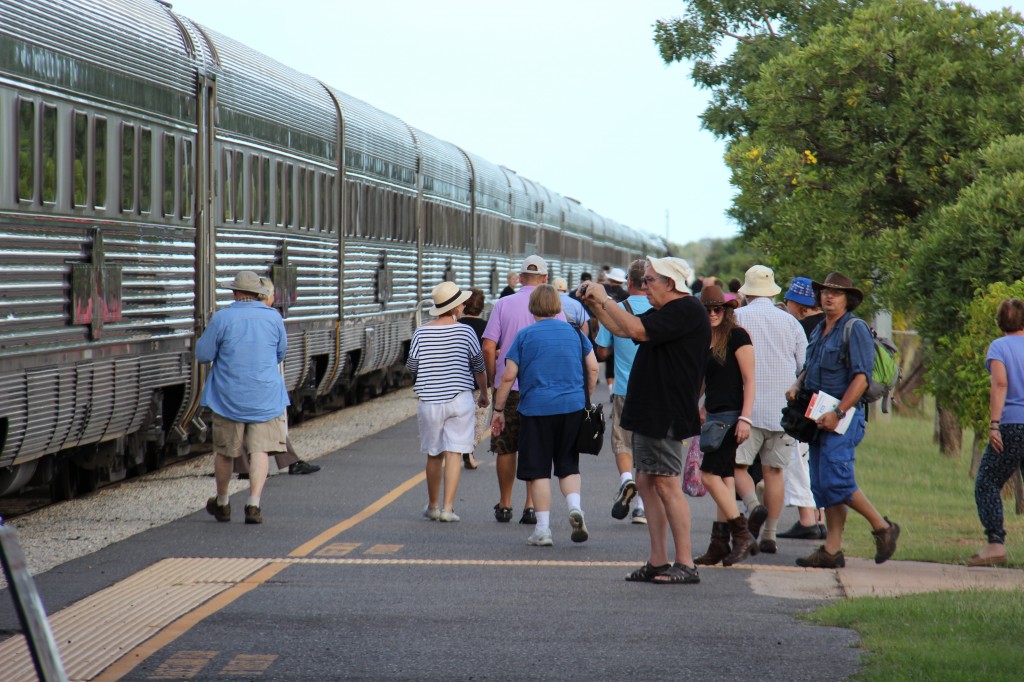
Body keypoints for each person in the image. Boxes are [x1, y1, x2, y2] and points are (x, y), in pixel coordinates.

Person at [580, 256, 709, 585]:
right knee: (648, 482)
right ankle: (657, 560)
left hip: (665, 408)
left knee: (666, 482)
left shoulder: (685, 310)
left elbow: (635, 327)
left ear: (671, 283)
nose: (644, 285)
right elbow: (622, 328)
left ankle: (685, 563)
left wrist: (606, 298)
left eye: (651, 280)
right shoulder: (667, 312)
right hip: (651, 407)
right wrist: (596, 304)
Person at [786, 272, 900, 568]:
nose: (828, 297)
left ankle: (882, 527)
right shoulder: (819, 329)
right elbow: (809, 366)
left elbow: (861, 378)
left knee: (838, 480)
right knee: (823, 485)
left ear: (847, 299)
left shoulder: (855, 328)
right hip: (815, 417)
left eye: (835, 294)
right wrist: (798, 384)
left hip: (843, 418)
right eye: (825, 292)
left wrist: (837, 413)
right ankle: (832, 550)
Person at [490, 285, 598, 546]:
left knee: (538, 470)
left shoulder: (524, 335)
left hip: (536, 410)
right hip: (572, 408)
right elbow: (593, 368)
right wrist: (584, 399)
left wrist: (498, 410)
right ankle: (575, 508)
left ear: (532, 307)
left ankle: (543, 529)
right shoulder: (575, 333)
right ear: (558, 307)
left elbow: (508, 377)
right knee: (568, 465)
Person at [196, 271, 289, 525]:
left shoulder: (222, 318)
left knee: (226, 451)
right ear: (259, 294)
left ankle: (223, 503)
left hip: (228, 397)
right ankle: (253, 505)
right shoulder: (274, 319)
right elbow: (280, 354)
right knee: (259, 451)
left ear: (236, 293)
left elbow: (203, 354)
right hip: (265, 397)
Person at [483, 255, 565, 525]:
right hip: (541, 390)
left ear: (519, 278)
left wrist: (494, 383)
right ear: (545, 279)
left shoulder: (503, 304)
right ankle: (531, 506)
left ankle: (505, 504)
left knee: (505, 447)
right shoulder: (555, 306)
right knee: (535, 448)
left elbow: (488, 347)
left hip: (509, 387)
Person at [734, 265, 807, 554]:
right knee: (774, 472)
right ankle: (771, 534)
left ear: (747, 292)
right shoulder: (791, 323)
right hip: (783, 411)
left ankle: (753, 506)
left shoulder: (738, 317)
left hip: (747, 409)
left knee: (737, 466)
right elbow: (804, 366)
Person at [408, 282, 490, 523]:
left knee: (434, 454)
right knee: (454, 453)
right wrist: (484, 393)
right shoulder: (466, 332)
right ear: (455, 307)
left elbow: (412, 366)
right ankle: (448, 508)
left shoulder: (421, 332)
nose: (464, 305)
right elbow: (479, 367)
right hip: (460, 400)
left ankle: (432, 506)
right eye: (462, 303)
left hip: (430, 401)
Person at [693, 285, 757, 566]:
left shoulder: (737, 335)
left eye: (717, 309)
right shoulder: (706, 337)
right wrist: (698, 406)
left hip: (731, 417)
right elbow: (707, 380)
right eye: (706, 310)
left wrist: (745, 417)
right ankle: (719, 544)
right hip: (716, 414)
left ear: (727, 310)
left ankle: (741, 534)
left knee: (708, 476)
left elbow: (750, 380)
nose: (712, 314)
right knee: (726, 479)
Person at [234, 276, 320, 478]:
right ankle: (280, 463)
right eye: (273, 294)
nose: (274, 298)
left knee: (247, 423)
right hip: (259, 381)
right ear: (265, 296)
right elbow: (280, 352)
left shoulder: (232, 316)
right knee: (270, 421)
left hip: (239, 380)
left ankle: (249, 466)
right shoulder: (270, 317)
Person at [969, 298, 1024, 566]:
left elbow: (1000, 384)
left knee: (987, 482)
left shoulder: (999, 347)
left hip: (1012, 424)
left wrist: (994, 424)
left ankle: (995, 544)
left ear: (1000, 321)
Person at [594, 259, 649, 524]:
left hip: (625, 389)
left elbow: (602, 352)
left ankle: (626, 481)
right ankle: (641, 508)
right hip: (654, 392)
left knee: (622, 442)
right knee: (647, 448)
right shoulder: (661, 309)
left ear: (628, 282)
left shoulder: (616, 310)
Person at [777, 276, 826, 539]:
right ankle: (820, 518)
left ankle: (807, 520)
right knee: (816, 458)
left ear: (798, 302)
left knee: (797, 457)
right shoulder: (829, 324)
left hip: (807, 402)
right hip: (831, 404)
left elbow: (800, 366)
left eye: (788, 300)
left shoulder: (802, 327)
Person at [458, 287, 488, 470]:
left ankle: (457, 446)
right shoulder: (487, 327)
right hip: (481, 380)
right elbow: (494, 350)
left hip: (458, 380)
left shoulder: (455, 326)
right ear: (482, 307)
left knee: (460, 416)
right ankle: (469, 450)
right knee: (479, 418)